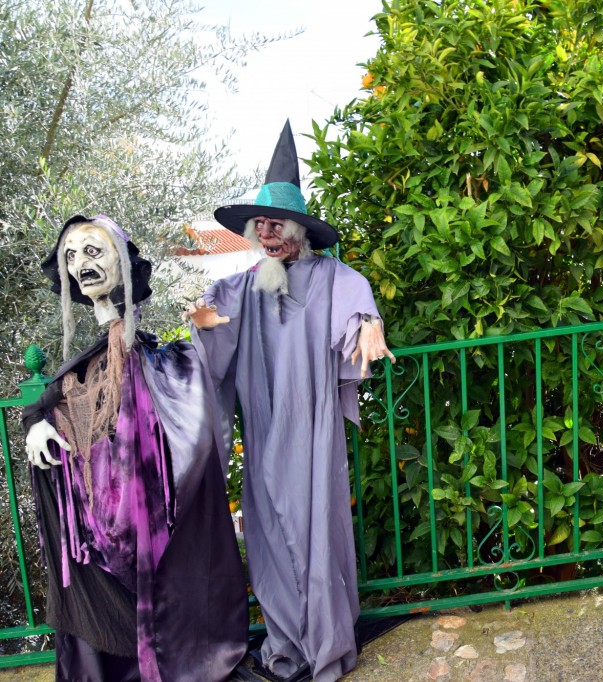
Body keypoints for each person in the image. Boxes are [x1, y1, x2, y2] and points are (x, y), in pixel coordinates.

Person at [184, 121, 394, 680]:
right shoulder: (245, 284)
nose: (268, 235)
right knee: (270, 533)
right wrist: (201, 321)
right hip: (264, 432)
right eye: (261, 227)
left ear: (299, 230)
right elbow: (210, 323)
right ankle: (286, 642)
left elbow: (357, 304)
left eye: (277, 225)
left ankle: (324, 642)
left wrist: (367, 325)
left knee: (316, 528)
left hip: (314, 429)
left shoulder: (330, 276)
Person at [23, 214, 248, 681]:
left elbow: (193, 427)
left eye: (93, 251)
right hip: (102, 520)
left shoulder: (164, 362)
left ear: (123, 262)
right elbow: (52, 401)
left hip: (150, 514)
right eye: (71, 256)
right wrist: (37, 423)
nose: (81, 264)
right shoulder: (87, 365)